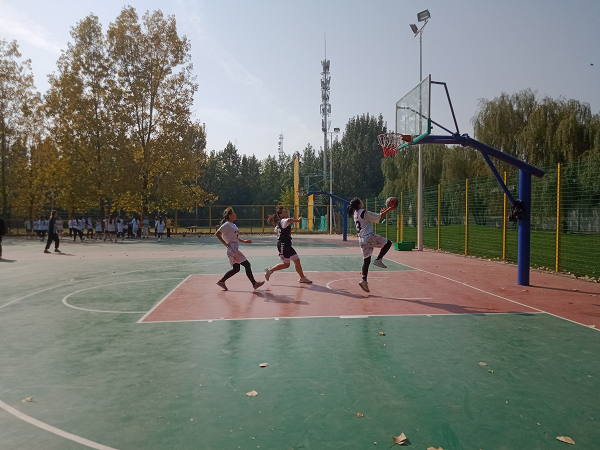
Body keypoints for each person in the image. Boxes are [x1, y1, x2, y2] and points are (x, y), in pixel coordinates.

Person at [347, 197, 395, 293]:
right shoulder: (363, 212)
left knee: (367, 260)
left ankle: (364, 280)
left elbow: (375, 217)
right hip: (368, 237)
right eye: (361, 201)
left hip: (361, 239)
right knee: (388, 243)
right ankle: (378, 260)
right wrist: (389, 209)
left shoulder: (355, 213)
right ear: (359, 204)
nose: (362, 202)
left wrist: (381, 213)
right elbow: (378, 216)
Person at [215, 207, 264, 291]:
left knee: (236, 269)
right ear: (230, 216)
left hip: (233, 248)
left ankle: (221, 281)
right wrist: (225, 243)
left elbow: (235, 237)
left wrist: (243, 241)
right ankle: (254, 284)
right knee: (247, 265)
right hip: (232, 249)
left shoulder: (233, 225)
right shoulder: (227, 225)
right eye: (234, 213)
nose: (235, 214)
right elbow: (217, 233)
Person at [264, 206, 312, 284]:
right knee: (286, 265)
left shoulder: (280, 223)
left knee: (297, 260)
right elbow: (288, 220)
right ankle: (270, 271)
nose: (287, 213)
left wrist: (288, 229)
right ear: (281, 215)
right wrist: (297, 220)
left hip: (287, 245)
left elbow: (277, 230)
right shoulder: (284, 220)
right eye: (285, 212)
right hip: (283, 245)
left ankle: (302, 278)